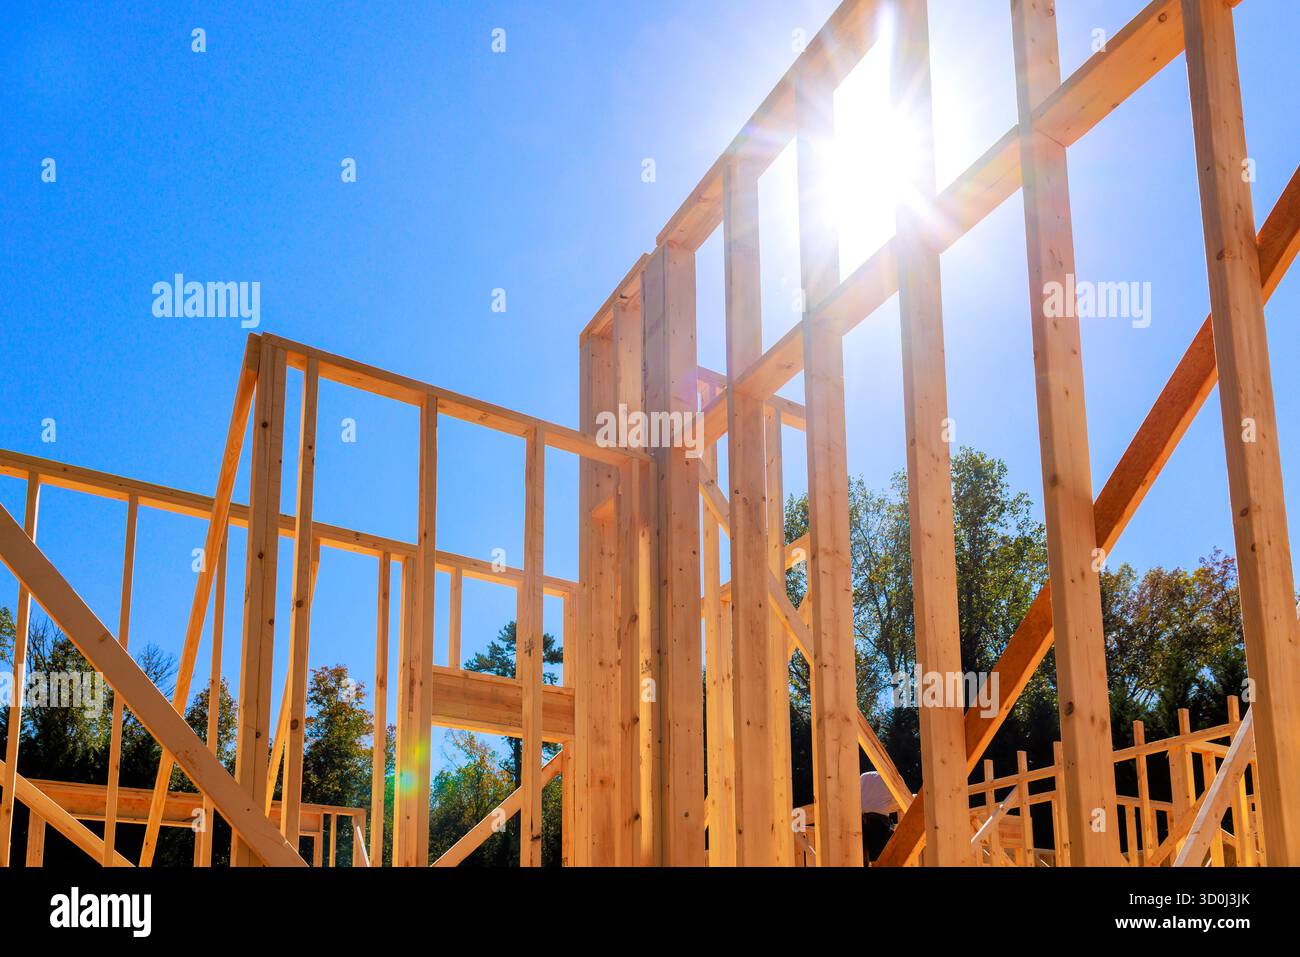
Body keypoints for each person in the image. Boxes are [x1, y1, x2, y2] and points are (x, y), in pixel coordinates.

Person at [860, 771, 899, 863]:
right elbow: (898, 803)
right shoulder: (893, 777)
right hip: (880, 823)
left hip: (862, 822)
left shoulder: (864, 776)